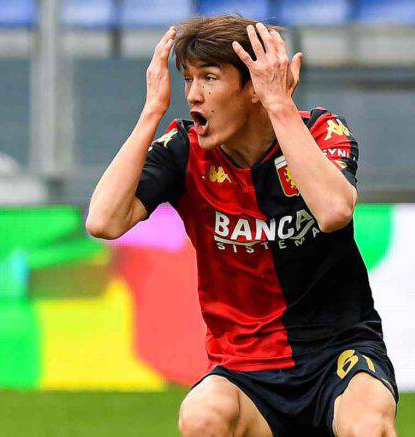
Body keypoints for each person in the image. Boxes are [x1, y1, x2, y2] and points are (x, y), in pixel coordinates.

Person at [87, 15, 398, 437]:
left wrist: (279, 105)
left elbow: (334, 212)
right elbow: (103, 221)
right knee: (202, 416)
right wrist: (150, 112)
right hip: (244, 368)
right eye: (188, 78)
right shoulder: (184, 151)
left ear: (253, 86)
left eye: (210, 77)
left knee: (367, 426)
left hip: (338, 355)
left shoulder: (321, 130)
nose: (193, 95)